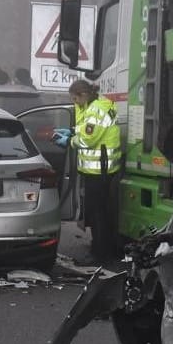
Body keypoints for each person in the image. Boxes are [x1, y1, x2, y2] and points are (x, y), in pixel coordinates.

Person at [55, 78, 123, 264]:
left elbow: (89, 139)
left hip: (99, 170)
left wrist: (69, 141)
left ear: (83, 95)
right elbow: (88, 128)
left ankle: (100, 253)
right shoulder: (96, 105)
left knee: (98, 212)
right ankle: (103, 248)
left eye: (75, 99)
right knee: (100, 211)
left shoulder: (96, 109)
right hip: (102, 169)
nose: (74, 102)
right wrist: (71, 130)